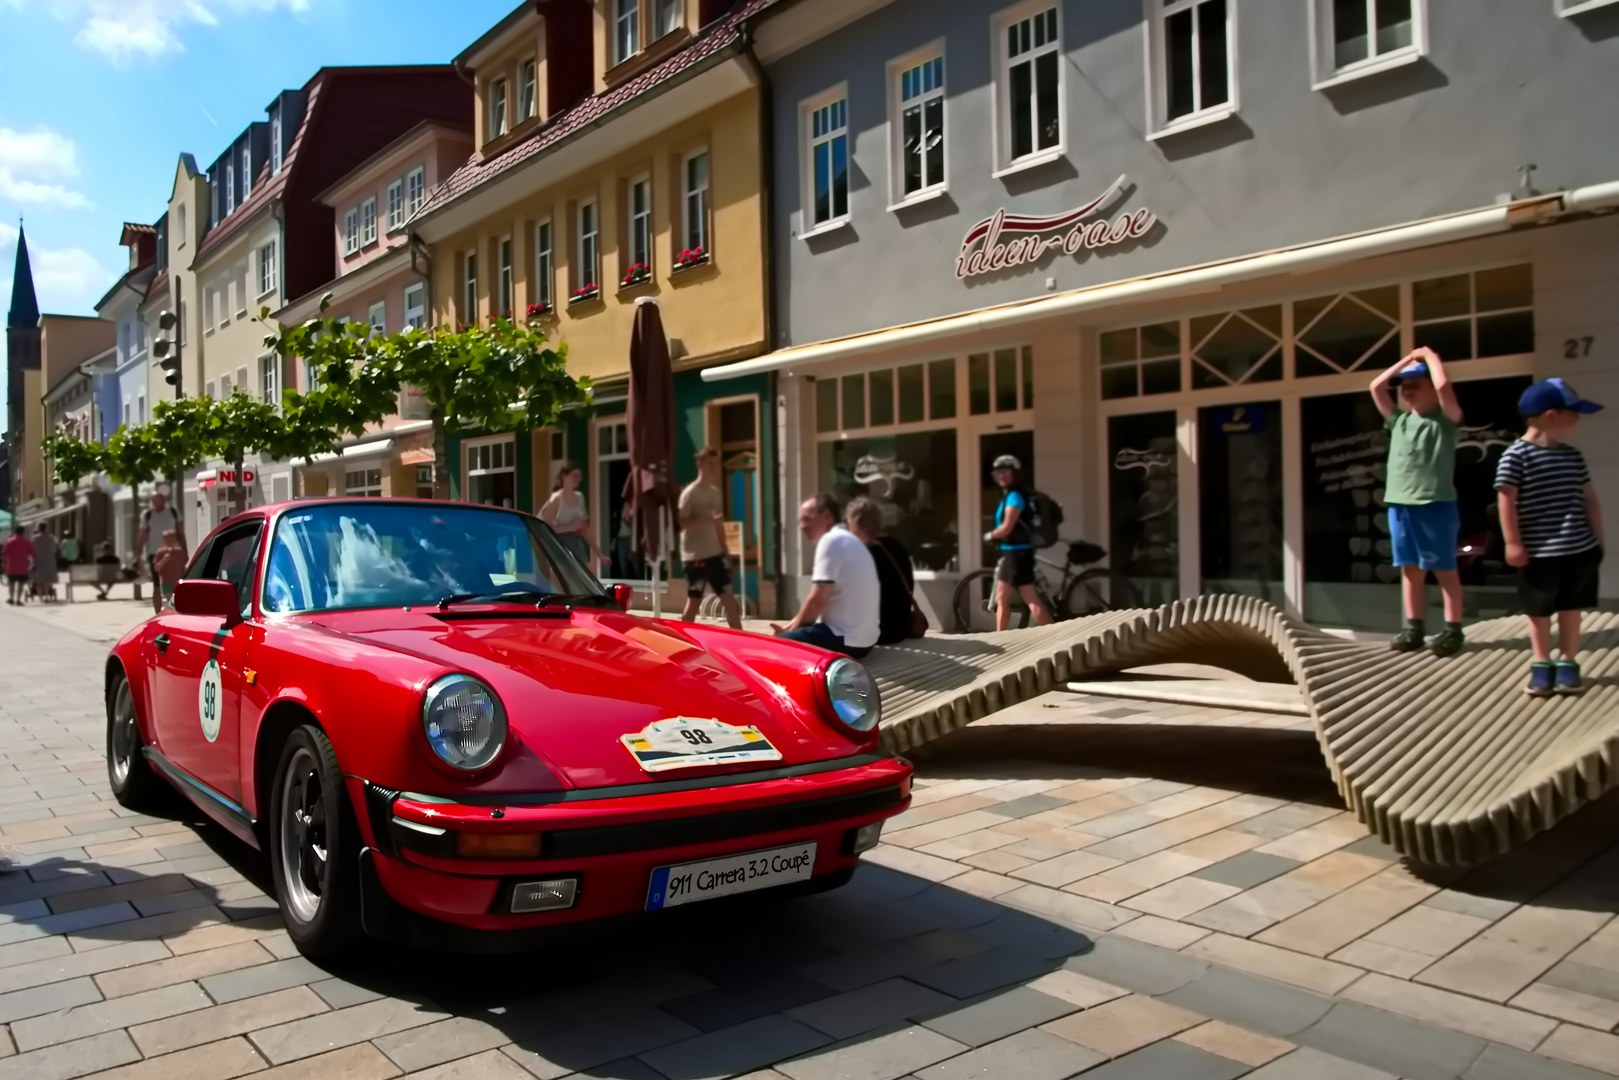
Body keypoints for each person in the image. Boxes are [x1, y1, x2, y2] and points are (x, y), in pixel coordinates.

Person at [1495, 379, 1606, 696]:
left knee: (1572, 607)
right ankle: (1542, 663)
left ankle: (1568, 661)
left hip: (1579, 547)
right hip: (1539, 552)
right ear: (1552, 415)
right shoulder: (1516, 456)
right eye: (1574, 413)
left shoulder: (1573, 456)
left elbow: (1589, 497)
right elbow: (1506, 499)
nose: (1578, 420)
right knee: (1539, 610)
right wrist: (1512, 542)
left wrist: (1599, 540)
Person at [1369, 346, 1465, 657]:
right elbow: (1375, 387)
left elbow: (1443, 386)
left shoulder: (1445, 421)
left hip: (1434, 504)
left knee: (1444, 569)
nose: (1407, 390)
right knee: (1410, 569)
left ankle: (1453, 629)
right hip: (1400, 504)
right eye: (1404, 385)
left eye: (1415, 384)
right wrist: (1407, 362)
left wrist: (1430, 358)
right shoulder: (1397, 421)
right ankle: (1414, 626)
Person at [770, 494, 880, 658]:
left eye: (806, 519)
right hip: (865, 641)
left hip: (847, 640)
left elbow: (817, 603)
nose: (801, 526)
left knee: (769, 647)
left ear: (827, 517)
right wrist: (788, 629)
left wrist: (788, 637)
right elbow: (817, 602)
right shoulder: (850, 540)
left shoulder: (831, 540)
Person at [984, 454, 1052, 631]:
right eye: (998, 473)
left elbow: (1007, 527)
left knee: (1029, 597)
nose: (1001, 476)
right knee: (1001, 596)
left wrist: (991, 535)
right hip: (1011, 552)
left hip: (1018, 553)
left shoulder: (1015, 496)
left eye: (1006, 472)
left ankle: (1055, 635)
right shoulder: (1009, 495)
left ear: (1016, 474)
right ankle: (1000, 638)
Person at [678, 447, 743, 629]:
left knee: (729, 601)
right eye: (710, 463)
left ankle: (742, 642)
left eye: (716, 463)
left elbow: (718, 523)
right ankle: (683, 637)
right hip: (695, 557)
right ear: (700, 464)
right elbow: (682, 523)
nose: (714, 467)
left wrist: (726, 552)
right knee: (694, 601)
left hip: (716, 556)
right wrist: (707, 520)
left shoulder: (715, 492)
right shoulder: (690, 493)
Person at [845, 496, 919, 645]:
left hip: (878, 633)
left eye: (848, 522)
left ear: (855, 523)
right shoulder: (897, 547)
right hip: (901, 629)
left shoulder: (863, 553)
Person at [540, 461, 608, 573]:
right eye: (574, 476)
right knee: (564, 584)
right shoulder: (556, 499)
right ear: (564, 477)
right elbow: (545, 528)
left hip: (576, 544)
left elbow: (585, 529)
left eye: (579, 476)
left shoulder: (580, 498)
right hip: (558, 546)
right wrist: (571, 527)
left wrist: (600, 555)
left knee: (590, 578)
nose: (578, 479)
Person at [136, 490, 185, 615]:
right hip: (155, 552)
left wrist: (185, 551)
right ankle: (157, 613)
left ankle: (176, 610)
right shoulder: (147, 515)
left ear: (163, 500)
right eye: (153, 500)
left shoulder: (173, 513)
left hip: (174, 552)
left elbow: (180, 532)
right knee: (157, 585)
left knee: (176, 581)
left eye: (158, 500)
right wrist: (138, 553)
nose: (155, 503)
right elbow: (142, 535)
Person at [151, 529, 188, 608]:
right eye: (167, 540)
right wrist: (164, 560)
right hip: (166, 583)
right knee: (172, 602)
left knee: (176, 603)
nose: (169, 542)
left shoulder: (179, 552)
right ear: (164, 541)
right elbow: (157, 568)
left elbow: (183, 565)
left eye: (171, 540)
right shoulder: (160, 552)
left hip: (177, 582)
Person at [3, 526, 34, 606]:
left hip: (11, 566)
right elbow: (33, 552)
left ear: (15, 532)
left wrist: (3, 564)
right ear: (23, 532)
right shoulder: (27, 541)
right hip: (23, 566)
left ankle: (11, 598)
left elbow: (4, 552)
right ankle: (18, 600)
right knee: (21, 584)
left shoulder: (9, 541)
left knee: (11, 584)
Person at [30, 525, 59, 603]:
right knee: (47, 580)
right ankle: (46, 595)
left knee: (38, 580)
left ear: (39, 529)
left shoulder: (34, 538)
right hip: (49, 560)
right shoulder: (52, 537)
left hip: (37, 560)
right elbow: (55, 549)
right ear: (46, 528)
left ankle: (40, 598)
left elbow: (32, 549)